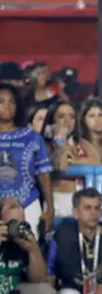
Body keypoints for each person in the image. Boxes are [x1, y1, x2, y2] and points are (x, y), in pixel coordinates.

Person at [0, 84, 55, 235]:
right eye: (1, 102)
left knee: (31, 250)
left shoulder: (31, 137)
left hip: (28, 203)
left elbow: (43, 174)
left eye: (11, 102)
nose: (7, 106)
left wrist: (50, 208)